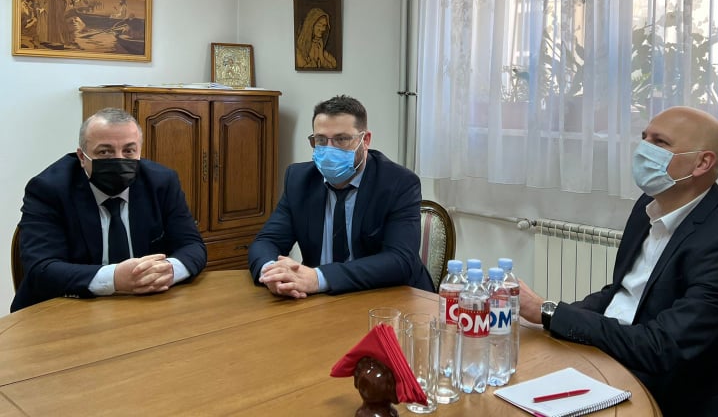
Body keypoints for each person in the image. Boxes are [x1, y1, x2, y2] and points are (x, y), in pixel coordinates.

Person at [519, 106, 718, 417]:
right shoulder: (649, 206)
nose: (643, 150)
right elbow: (620, 293)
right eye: (644, 138)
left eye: (660, 142)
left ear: (702, 162)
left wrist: (549, 312)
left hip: (667, 395)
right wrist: (543, 316)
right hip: (614, 361)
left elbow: (662, 348)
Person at [11, 108, 207, 312]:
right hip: (64, 309)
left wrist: (169, 270)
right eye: (105, 152)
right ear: (82, 157)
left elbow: (192, 246)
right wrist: (115, 278)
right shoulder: (48, 189)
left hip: (145, 307)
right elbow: (42, 269)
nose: (119, 160)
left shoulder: (161, 182)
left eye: (129, 151)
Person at [248, 95, 434, 297]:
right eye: (321, 140)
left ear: (365, 140)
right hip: (320, 300)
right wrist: (273, 274)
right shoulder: (299, 179)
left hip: (388, 297)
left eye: (342, 139)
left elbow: (400, 260)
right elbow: (266, 241)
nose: (330, 149)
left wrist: (319, 278)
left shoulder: (398, 183)